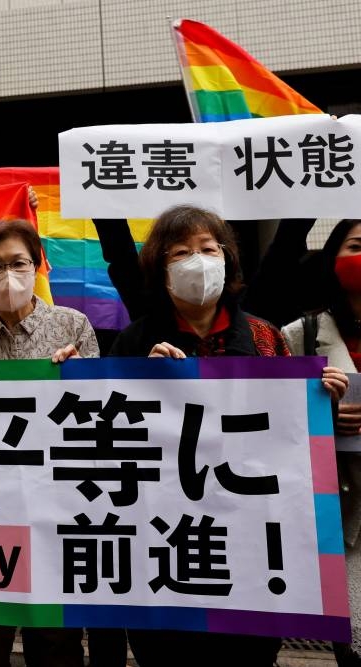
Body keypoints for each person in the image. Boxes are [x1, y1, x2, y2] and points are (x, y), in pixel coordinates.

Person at [108, 205, 347, 667]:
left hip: (249, 545)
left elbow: (289, 439)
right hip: (163, 545)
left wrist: (320, 400)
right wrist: (141, 384)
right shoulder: (134, 343)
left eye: (207, 249)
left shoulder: (264, 338)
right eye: (180, 253)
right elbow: (107, 440)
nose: (197, 261)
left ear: (227, 260)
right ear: (160, 269)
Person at [0, 217, 96, 667]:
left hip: (56, 513)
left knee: (57, 641)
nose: (8, 275)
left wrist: (81, 375)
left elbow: (102, 418)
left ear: (38, 266)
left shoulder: (73, 326)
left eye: (19, 262)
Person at [281, 218, 361, 666]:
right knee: (350, 631)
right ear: (334, 256)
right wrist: (322, 413)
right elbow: (275, 419)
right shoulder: (301, 334)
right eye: (356, 245)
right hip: (337, 510)